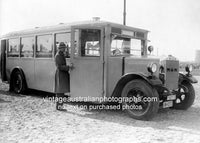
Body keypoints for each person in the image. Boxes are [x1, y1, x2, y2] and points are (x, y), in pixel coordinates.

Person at [55, 42, 71, 111]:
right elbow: (59, 67)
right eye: (64, 48)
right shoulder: (58, 55)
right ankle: (59, 107)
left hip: (62, 75)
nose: (65, 49)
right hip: (60, 75)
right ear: (60, 48)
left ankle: (60, 106)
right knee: (60, 92)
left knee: (61, 92)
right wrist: (68, 67)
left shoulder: (61, 55)